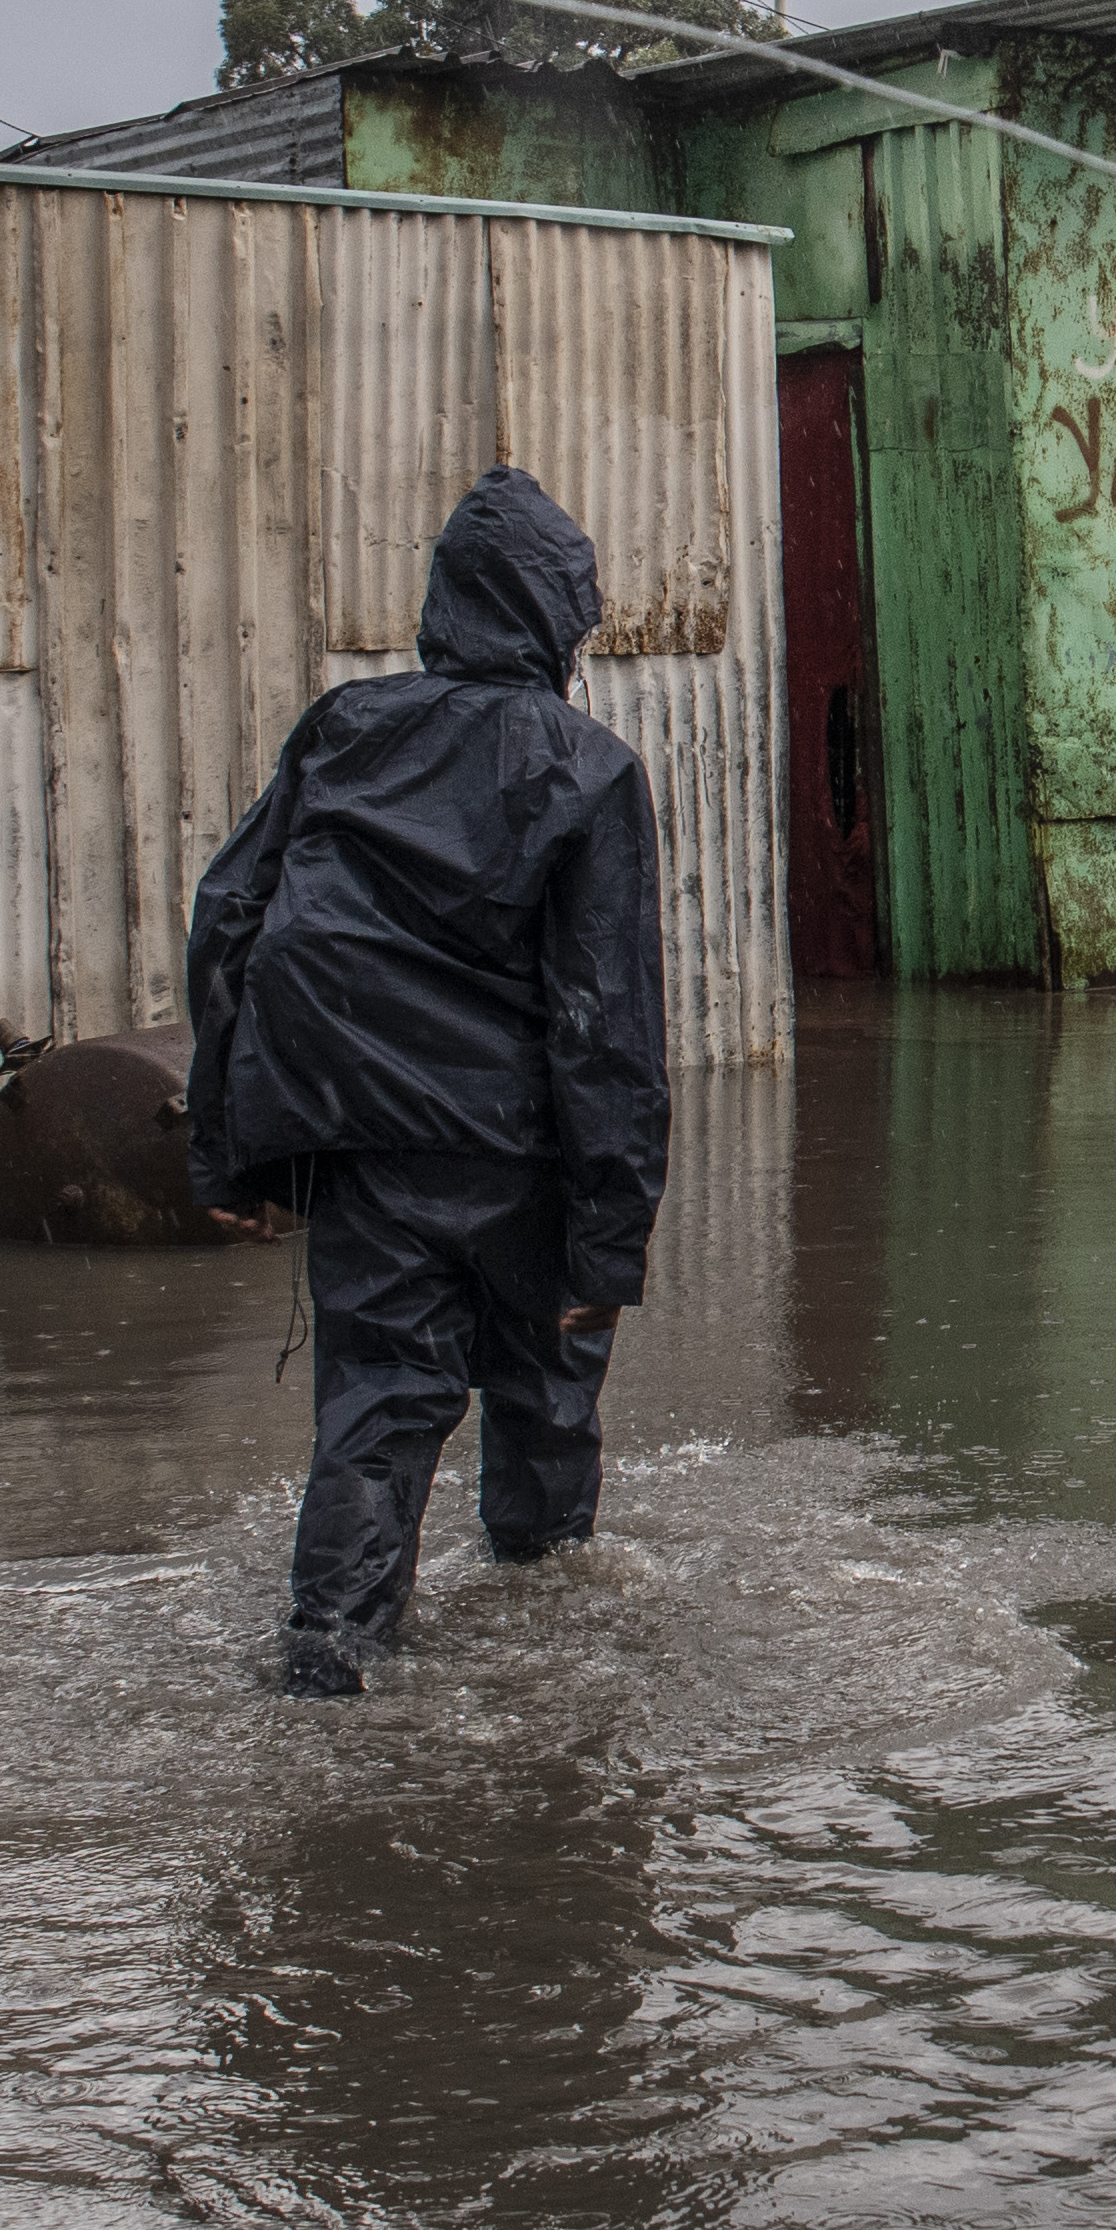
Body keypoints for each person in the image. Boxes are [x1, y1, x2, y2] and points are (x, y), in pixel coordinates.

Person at [184, 464, 677, 1699]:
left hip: (370, 1160)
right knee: (546, 1403)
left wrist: (230, 1155)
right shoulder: (591, 769)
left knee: (377, 1407)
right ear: (559, 620)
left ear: (447, 599)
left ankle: (328, 1664)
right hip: (526, 1168)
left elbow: (228, 920)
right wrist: (609, 1250)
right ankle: (547, 1658)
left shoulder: (344, 729)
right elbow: (605, 1026)